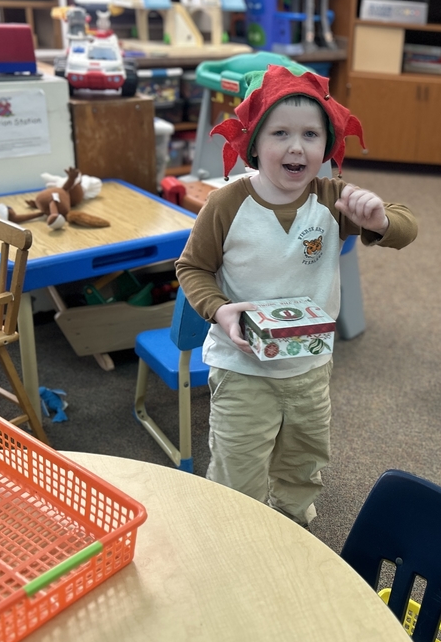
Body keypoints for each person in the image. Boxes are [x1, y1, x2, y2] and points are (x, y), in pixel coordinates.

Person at [175, 64, 418, 526]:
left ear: (327, 146)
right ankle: (235, 531)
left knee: (304, 460)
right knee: (237, 471)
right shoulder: (226, 203)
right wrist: (220, 309)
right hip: (242, 366)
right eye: (280, 132)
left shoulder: (332, 199)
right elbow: (192, 268)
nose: (296, 146)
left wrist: (379, 219)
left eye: (311, 135)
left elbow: (406, 228)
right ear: (254, 144)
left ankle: (288, 518)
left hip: (310, 367)